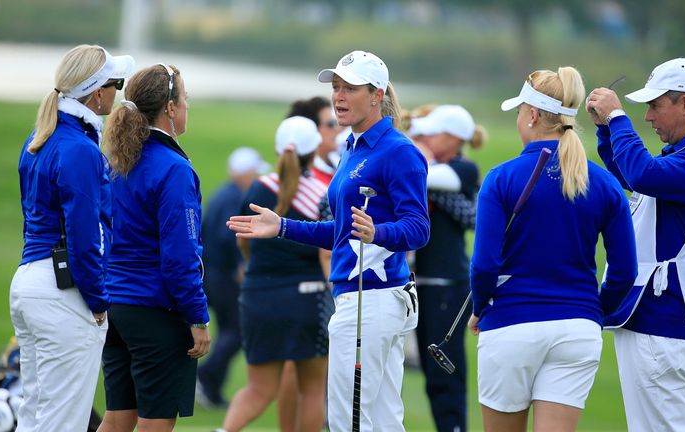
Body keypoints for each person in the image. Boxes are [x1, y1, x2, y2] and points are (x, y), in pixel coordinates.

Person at [227, 50, 429, 431]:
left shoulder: (398, 151)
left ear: (376, 94)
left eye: (349, 88)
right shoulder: (352, 148)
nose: (338, 96)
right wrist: (282, 226)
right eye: (336, 87)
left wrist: (379, 232)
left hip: (372, 301)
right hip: (362, 300)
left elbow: (419, 228)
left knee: (348, 422)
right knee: (382, 423)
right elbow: (340, 233)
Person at [469, 66, 638, 432]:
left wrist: (481, 307)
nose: (518, 119)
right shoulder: (605, 182)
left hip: (511, 323)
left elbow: (484, 266)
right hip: (577, 329)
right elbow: (625, 271)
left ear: (531, 115)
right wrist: (593, 310)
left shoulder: (500, 178)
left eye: (518, 112)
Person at [586, 58, 685, 431]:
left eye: (655, 105)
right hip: (661, 313)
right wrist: (608, 130)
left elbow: (642, 173)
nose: (649, 117)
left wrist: (619, 118)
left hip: (663, 314)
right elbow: (633, 176)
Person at [9, 44, 134, 432]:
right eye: (116, 83)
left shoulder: (42, 137)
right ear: (97, 94)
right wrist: (98, 301)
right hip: (63, 289)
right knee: (63, 422)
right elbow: (85, 236)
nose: (118, 91)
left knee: (35, 417)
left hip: (31, 281)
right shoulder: (79, 148)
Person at [97, 63, 211, 432]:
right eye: (186, 99)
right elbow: (180, 259)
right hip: (155, 311)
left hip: (116, 307)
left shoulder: (118, 159)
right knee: (155, 424)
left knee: (116, 420)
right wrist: (198, 317)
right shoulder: (174, 169)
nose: (188, 106)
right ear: (171, 109)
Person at [218, 116, 331, 432]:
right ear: (314, 150)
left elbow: (242, 239)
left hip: (257, 296)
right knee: (312, 391)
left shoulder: (258, 187)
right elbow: (327, 251)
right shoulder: (323, 193)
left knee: (258, 390)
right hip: (309, 299)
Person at [406, 104, 486, 432]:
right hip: (422, 282)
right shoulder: (431, 165)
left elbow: (421, 175)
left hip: (446, 282)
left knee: (445, 372)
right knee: (429, 370)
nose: (423, 136)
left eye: (431, 132)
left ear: (454, 138)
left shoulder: (463, 169)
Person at [276, 96, 342, 432]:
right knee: (298, 370)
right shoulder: (313, 181)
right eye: (329, 123)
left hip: (300, 284)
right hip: (313, 283)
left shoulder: (326, 170)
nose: (337, 127)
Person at [196, 147, 269, 409]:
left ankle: (212, 390)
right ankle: (205, 376)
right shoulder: (233, 197)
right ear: (243, 173)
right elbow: (228, 236)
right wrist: (240, 264)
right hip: (222, 276)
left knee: (231, 329)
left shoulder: (225, 194)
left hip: (212, 273)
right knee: (237, 330)